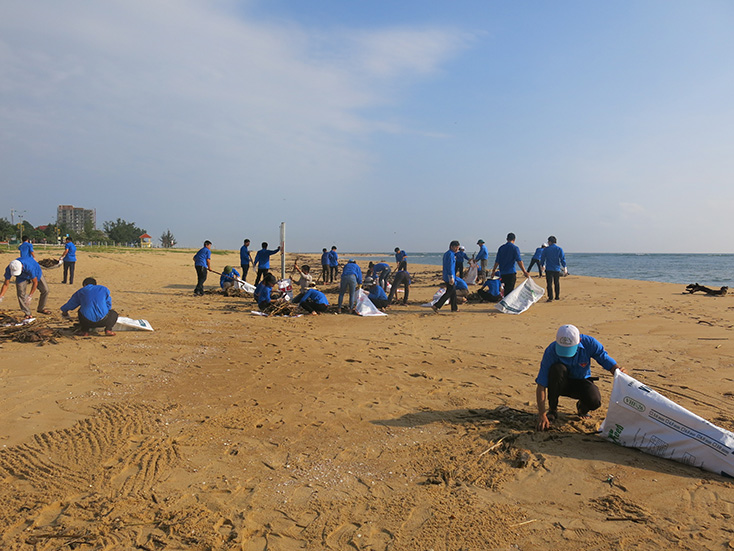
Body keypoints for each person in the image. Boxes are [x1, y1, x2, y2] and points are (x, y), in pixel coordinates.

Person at [536, 324, 625, 431]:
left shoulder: (590, 343)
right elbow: (541, 385)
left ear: (579, 341)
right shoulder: (550, 351)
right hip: (560, 383)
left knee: (594, 401)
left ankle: (582, 407)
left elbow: (604, 358)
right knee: (557, 369)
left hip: (581, 381)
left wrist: (618, 372)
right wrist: (542, 414)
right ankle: (553, 409)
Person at [432, 241, 460, 313]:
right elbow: (450, 266)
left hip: (447, 275)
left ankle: (454, 308)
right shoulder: (450, 254)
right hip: (449, 276)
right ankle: (437, 305)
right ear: (452, 247)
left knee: (453, 292)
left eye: (458, 248)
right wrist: (451, 277)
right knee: (449, 292)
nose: (457, 249)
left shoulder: (448, 254)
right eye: (456, 247)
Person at [541, 236, 566, 302]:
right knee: (556, 283)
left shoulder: (546, 249)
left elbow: (543, 258)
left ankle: (550, 297)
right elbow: (562, 259)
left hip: (549, 268)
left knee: (549, 283)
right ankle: (557, 296)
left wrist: (542, 265)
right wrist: (564, 267)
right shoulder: (559, 249)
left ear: (549, 242)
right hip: (556, 268)